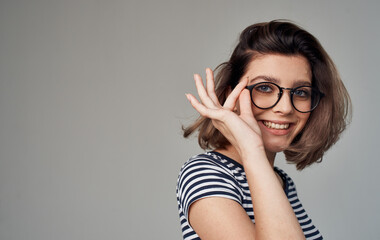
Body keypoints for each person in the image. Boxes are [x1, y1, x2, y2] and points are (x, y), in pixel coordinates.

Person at [176, 20, 351, 240]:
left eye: (301, 92)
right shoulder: (204, 173)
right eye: (265, 88)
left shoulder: (279, 180)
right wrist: (251, 149)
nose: (286, 107)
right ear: (233, 96)